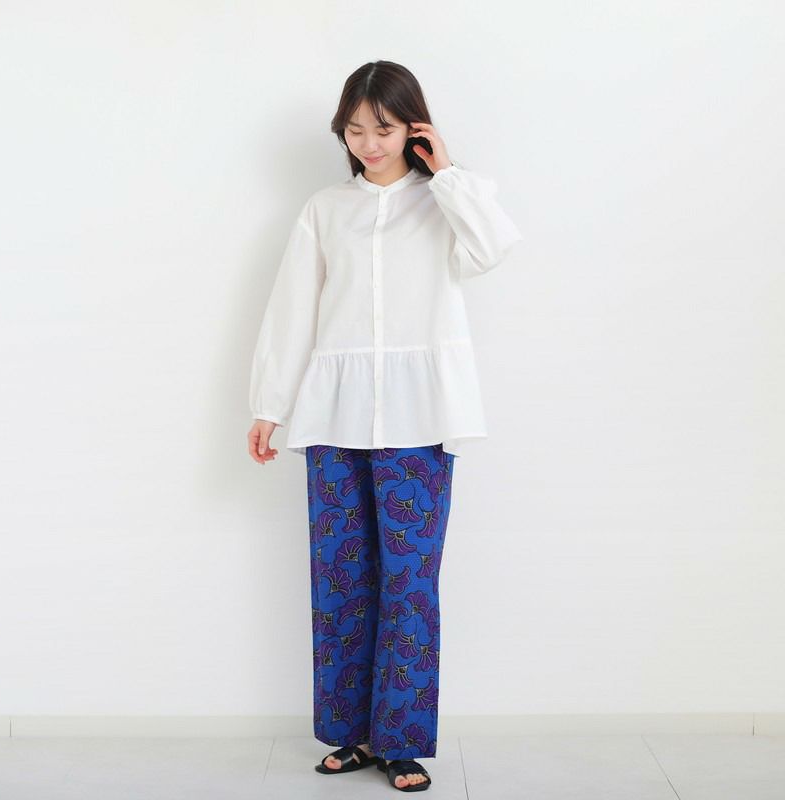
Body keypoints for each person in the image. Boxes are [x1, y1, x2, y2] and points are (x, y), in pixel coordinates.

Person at [246, 60, 523, 793]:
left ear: (414, 129)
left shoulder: (446, 202)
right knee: (341, 579)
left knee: (410, 583)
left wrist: (448, 171)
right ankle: (353, 734)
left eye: (385, 128)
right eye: (356, 129)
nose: (369, 143)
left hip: (420, 417)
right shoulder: (324, 209)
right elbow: (292, 309)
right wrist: (269, 404)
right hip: (333, 416)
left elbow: (494, 248)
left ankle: (401, 740)